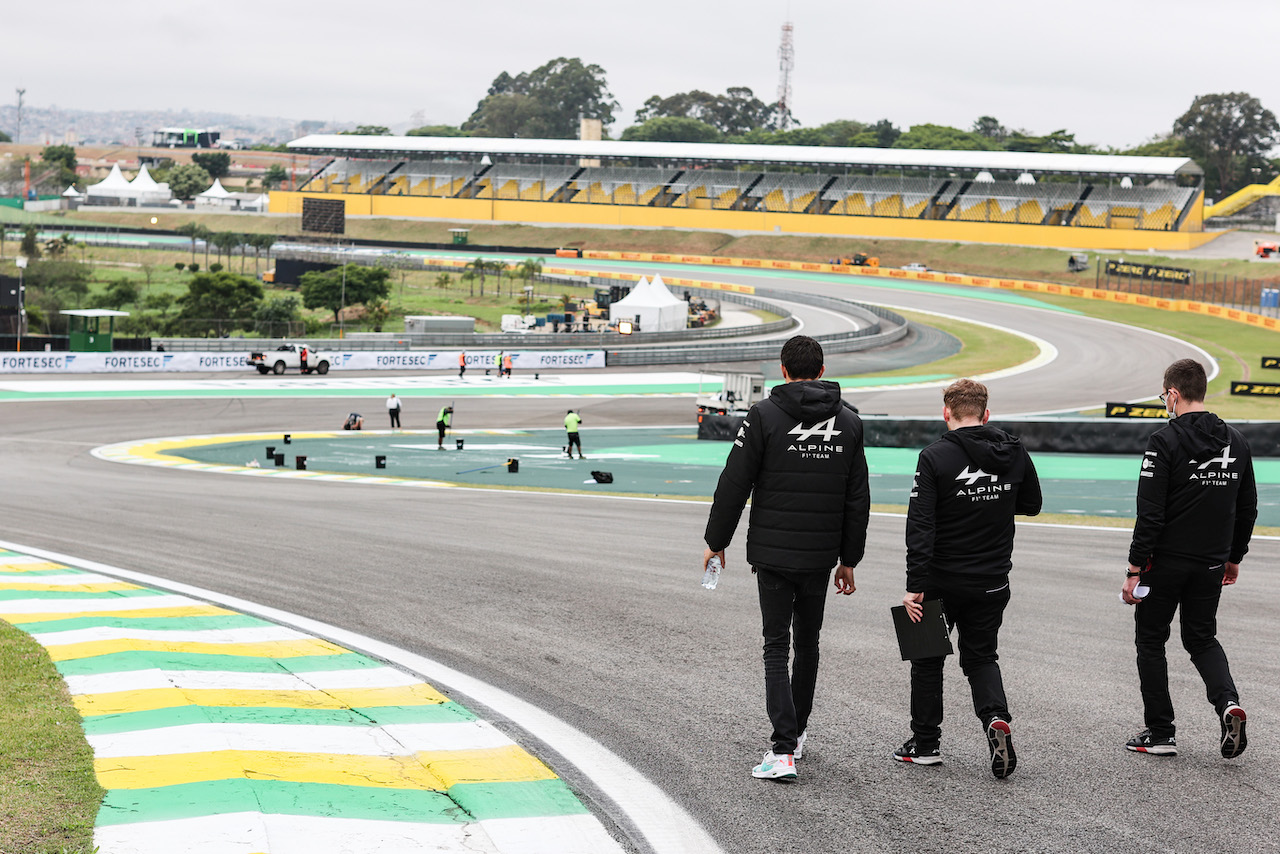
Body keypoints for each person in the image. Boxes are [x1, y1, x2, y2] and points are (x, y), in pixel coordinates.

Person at [703, 335, 870, 782]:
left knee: (777, 645)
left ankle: (781, 750)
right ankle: (795, 737)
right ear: (820, 370)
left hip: (774, 556)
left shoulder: (762, 415)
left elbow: (733, 483)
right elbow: (859, 499)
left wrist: (716, 541)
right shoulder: (850, 423)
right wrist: (849, 559)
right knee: (808, 644)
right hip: (819, 557)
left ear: (783, 370)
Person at [895, 378, 1041, 779]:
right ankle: (995, 718)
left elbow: (919, 527)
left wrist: (914, 584)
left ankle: (925, 744)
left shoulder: (934, 456)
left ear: (946, 412)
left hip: (940, 578)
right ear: (986, 413)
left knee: (927, 660)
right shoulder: (1014, 451)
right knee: (981, 657)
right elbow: (1032, 504)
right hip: (993, 578)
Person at [1121, 359, 1257, 759]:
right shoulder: (1237, 440)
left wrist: (1133, 569)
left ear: (1174, 394)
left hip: (1163, 564)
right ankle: (1228, 704)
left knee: (1151, 640)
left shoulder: (1163, 441)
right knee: (1201, 638)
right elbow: (1247, 507)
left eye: (1165, 396)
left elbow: (1150, 514)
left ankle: (1161, 733)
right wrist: (1234, 558)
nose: (1166, 402)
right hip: (1211, 563)